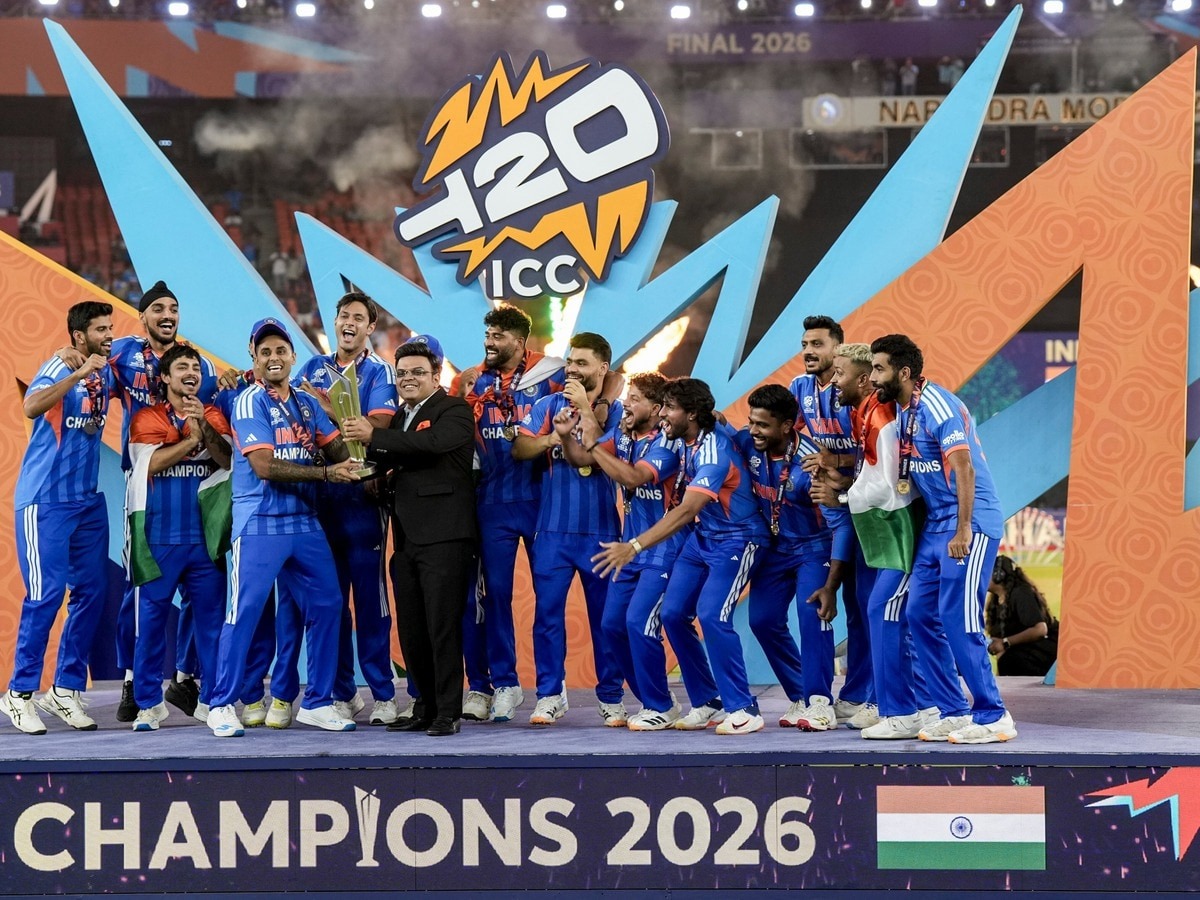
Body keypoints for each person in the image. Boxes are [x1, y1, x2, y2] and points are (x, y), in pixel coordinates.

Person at [206, 318, 361, 738]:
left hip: (304, 522)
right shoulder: (248, 401)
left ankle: (318, 703)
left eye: (280, 350)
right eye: (265, 352)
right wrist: (328, 474)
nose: (273, 357)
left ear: (293, 357)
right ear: (253, 358)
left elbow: (339, 449)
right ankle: (221, 704)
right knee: (244, 612)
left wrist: (344, 420)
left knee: (329, 605)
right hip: (260, 521)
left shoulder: (307, 403)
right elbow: (263, 466)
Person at [593, 378, 770, 735]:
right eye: (661, 407)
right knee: (672, 614)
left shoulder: (713, 453)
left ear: (690, 414)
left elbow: (687, 510)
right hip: (704, 537)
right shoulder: (681, 437)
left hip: (738, 539)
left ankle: (744, 708)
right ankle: (708, 701)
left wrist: (634, 546)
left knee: (712, 614)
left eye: (669, 408)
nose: (662, 415)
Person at [869, 334, 1016, 744]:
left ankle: (993, 715)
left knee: (960, 618)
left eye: (879, 369)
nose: (873, 377)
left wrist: (963, 529)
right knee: (919, 615)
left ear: (903, 372)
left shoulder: (938, 406)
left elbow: (964, 467)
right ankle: (953, 711)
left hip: (968, 523)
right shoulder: (903, 411)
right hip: (936, 525)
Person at [271, 290, 400, 727]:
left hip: (362, 501)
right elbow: (295, 421)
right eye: (343, 315)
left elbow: (377, 428)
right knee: (330, 603)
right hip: (320, 501)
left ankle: (383, 693)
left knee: (370, 602)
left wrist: (326, 410)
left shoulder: (380, 372)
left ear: (370, 328)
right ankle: (344, 692)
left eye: (358, 318)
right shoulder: (310, 368)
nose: (349, 323)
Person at [343, 339, 477, 737]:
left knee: (442, 626)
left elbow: (431, 445)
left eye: (418, 372)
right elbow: (395, 456)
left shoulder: (454, 410)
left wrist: (374, 437)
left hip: (445, 536)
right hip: (405, 538)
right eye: (402, 374)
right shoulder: (402, 415)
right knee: (413, 629)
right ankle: (424, 706)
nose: (408, 379)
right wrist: (365, 467)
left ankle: (448, 711)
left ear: (436, 376)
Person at [98, 280, 218, 722]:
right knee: (141, 591)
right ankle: (135, 681)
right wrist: (71, 359)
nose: (167, 315)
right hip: (144, 483)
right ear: (143, 316)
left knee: (202, 591)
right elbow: (92, 374)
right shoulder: (121, 354)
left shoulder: (199, 362)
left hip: (192, 487)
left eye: (173, 308)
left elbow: (215, 404)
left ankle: (186, 677)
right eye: (158, 308)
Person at [814, 343, 946, 740]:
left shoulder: (882, 416)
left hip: (900, 527)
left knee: (890, 612)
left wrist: (841, 497)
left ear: (862, 379)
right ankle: (915, 705)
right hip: (882, 527)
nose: (833, 382)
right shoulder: (865, 413)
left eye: (840, 374)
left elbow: (892, 486)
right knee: (888, 613)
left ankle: (907, 708)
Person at [4, 301, 115, 735]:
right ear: (78, 336)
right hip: (44, 501)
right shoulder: (59, 366)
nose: (108, 335)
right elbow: (32, 406)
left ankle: (66, 690)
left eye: (110, 328)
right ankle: (19, 695)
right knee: (46, 596)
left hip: (86, 503)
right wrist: (77, 372)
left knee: (91, 592)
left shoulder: (109, 364)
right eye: (100, 330)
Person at [455, 304, 568, 723]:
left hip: (542, 503)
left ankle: (552, 687)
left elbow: (607, 379)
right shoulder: (472, 381)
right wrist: (460, 393)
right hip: (492, 504)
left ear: (520, 342)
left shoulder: (550, 373)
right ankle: (505, 684)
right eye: (488, 333)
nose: (489, 341)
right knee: (495, 595)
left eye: (498, 335)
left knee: (548, 597)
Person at [561, 372, 691, 730]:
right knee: (612, 625)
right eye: (627, 397)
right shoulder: (622, 435)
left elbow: (633, 478)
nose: (626, 405)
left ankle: (659, 705)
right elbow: (582, 458)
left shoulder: (667, 443)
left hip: (662, 547)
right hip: (629, 549)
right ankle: (656, 699)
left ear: (657, 407)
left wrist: (591, 440)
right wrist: (566, 436)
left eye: (635, 399)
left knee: (638, 622)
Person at [513, 332, 625, 726]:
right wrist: (550, 438)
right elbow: (519, 448)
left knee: (605, 620)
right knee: (546, 616)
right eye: (570, 362)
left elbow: (597, 456)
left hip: (601, 533)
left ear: (602, 368)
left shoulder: (620, 411)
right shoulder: (548, 405)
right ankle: (549, 695)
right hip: (552, 532)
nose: (572, 369)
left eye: (581, 363)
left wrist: (587, 410)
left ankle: (611, 696)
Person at [125, 344, 232, 731]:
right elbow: (149, 464)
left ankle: (215, 702)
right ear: (165, 377)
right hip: (158, 540)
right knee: (150, 625)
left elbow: (227, 459)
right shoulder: (145, 417)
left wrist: (204, 427)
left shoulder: (213, 414)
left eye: (196, 368)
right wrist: (190, 442)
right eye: (182, 367)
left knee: (212, 625)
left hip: (205, 542)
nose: (191, 373)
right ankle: (148, 704)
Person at [736, 385, 842, 731]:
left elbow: (840, 520)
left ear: (786, 426)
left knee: (812, 616)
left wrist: (832, 582)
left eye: (762, 425)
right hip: (774, 549)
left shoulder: (812, 462)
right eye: (751, 422)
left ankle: (820, 702)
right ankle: (801, 694)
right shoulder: (746, 443)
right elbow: (718, 432)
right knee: (762, 620)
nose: (754, 431)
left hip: (814, 548)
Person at [791, 315, 875, 728]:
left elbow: (875, 451)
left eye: (817, 344)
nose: (808, 351)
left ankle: (869, 696)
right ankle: (841, 696)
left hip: (867, 507)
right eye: (805, 344)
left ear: (838, 349)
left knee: (867, 607)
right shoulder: (799, 388)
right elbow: (785, 433)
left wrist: (837, 473)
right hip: (832, 513)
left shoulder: (857, 392)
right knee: (839, 603)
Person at [987, 555, 1058, 677]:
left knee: (1010, 660)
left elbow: (1040, 630)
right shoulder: (996, 600)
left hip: (1045, 651)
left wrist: (1005, 643)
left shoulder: (1021, 593)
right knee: (1007, 660)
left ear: (998, 575)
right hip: (1025, 652)